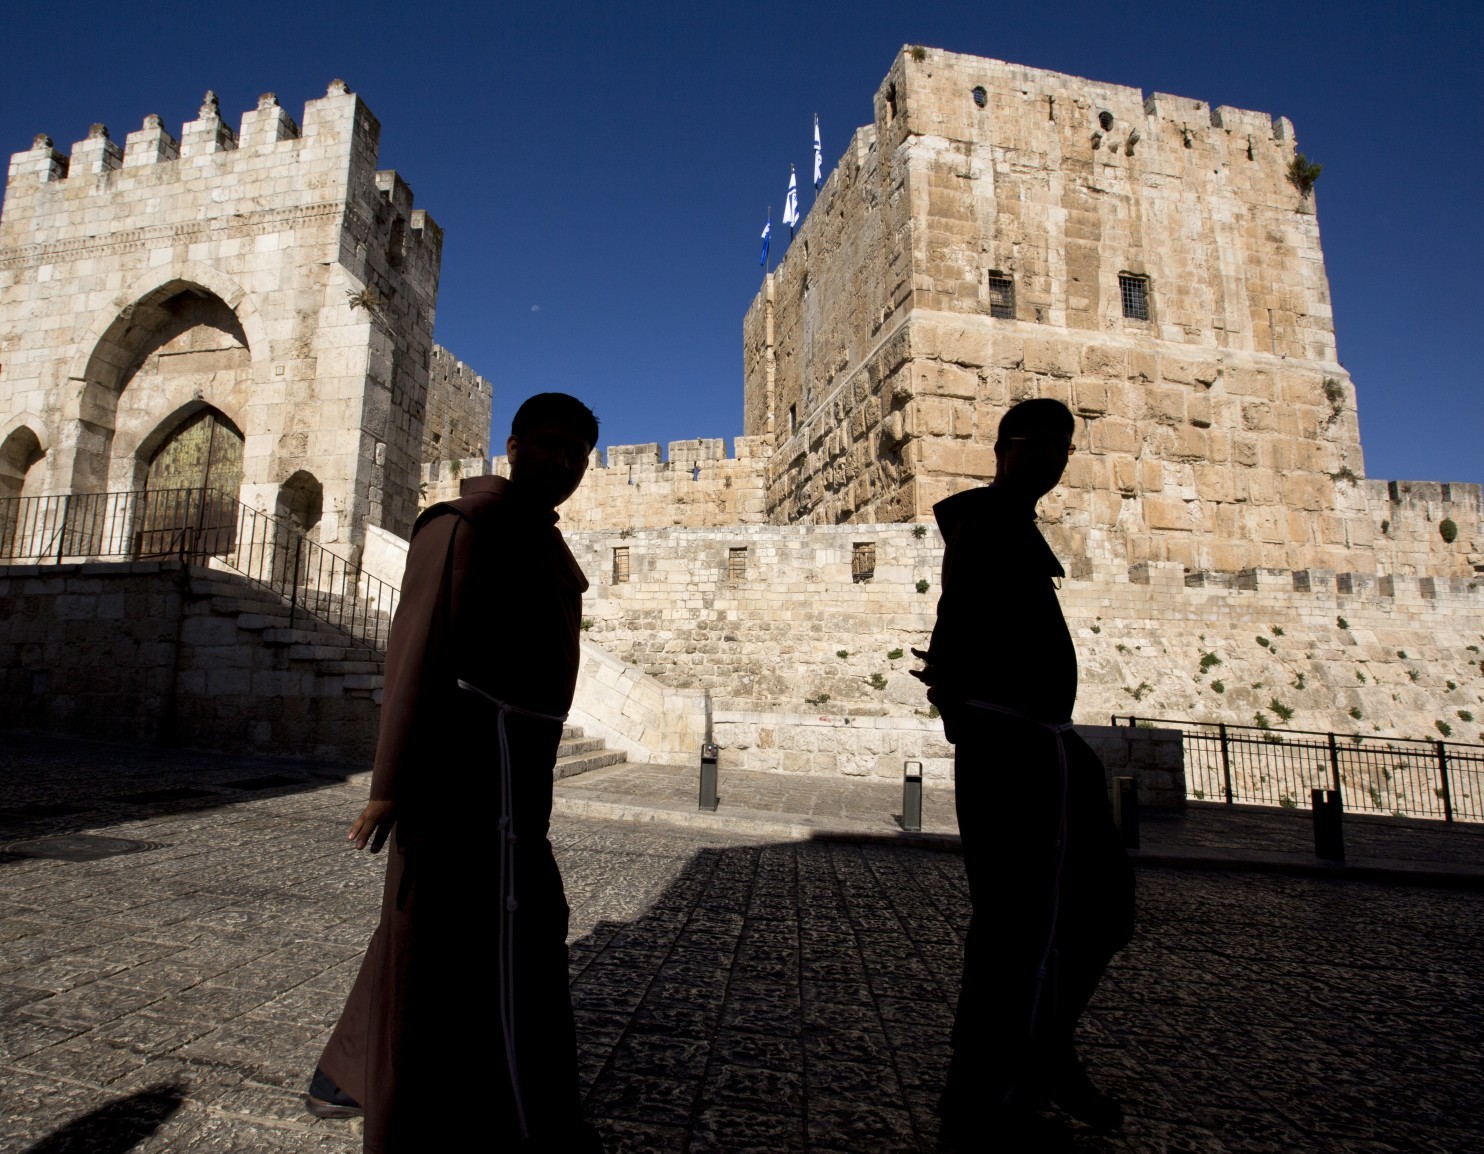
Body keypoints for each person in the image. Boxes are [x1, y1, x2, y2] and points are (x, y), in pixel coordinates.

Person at [305, 393, 605, 1153]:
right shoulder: (460, 528)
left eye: (576, 453)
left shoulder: (550, 553)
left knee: (439, 933)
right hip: (457, 775)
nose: (560, 463)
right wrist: (387, 786)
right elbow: (414, 656)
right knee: (444, 939)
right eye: (547, 445)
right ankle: (434, 1109)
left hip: (518, 785)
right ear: (512, 445)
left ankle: (345, 1071)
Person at [913, 398, 1135, 1150]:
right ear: (1002, 447)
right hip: (1012, 745)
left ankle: (1036, 1054)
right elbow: (956, 631)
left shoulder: (1003, 524)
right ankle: (985, 1091)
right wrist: (968, 705)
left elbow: (952, 637)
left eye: (1062, 445)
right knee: (1018, 926)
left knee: (1092, 910)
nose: (1050, 454)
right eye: (1035, 441)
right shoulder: (987, 523)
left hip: (1041, 741)